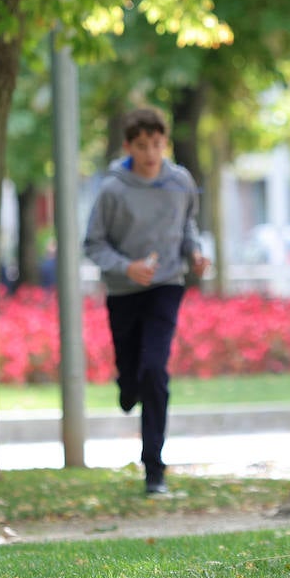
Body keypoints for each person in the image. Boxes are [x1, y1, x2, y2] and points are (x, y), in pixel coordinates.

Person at [84, 107, 208, 496]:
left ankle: (154, 467)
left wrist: (195, 253)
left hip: (166, 285)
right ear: (128, 147)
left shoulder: (180, 181)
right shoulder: (112, 189)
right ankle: (127, 384)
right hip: (124, 291)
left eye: (157, 144)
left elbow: (187, 225)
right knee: (131, 374)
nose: (151, 153)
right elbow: (93, 243)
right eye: (142, 146)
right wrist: (126, 267)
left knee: (155, 370)